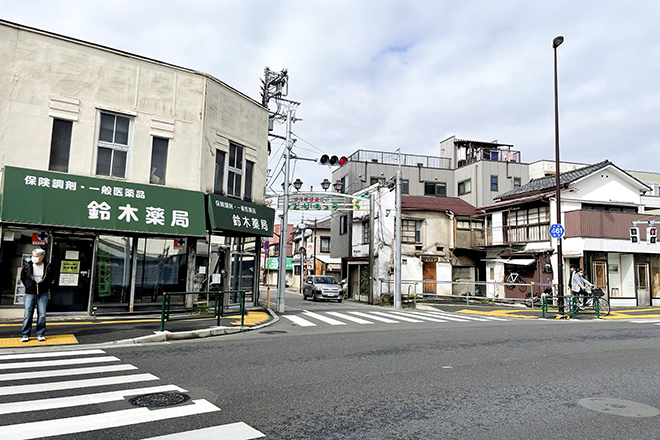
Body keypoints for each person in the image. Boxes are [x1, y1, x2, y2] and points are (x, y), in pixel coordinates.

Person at [20, 248, 52, 342]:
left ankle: (40, 333)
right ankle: (25, 334)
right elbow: (23, 277)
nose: (33, 258)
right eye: (33, 256)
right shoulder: (27, 266)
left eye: (36, 256)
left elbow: (51, 278)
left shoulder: (48, 266)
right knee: (28, 314)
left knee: (42, 314)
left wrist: (47, 286)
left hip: (43, 293)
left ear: (42, 257)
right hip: (30, 293)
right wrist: (28, 286)